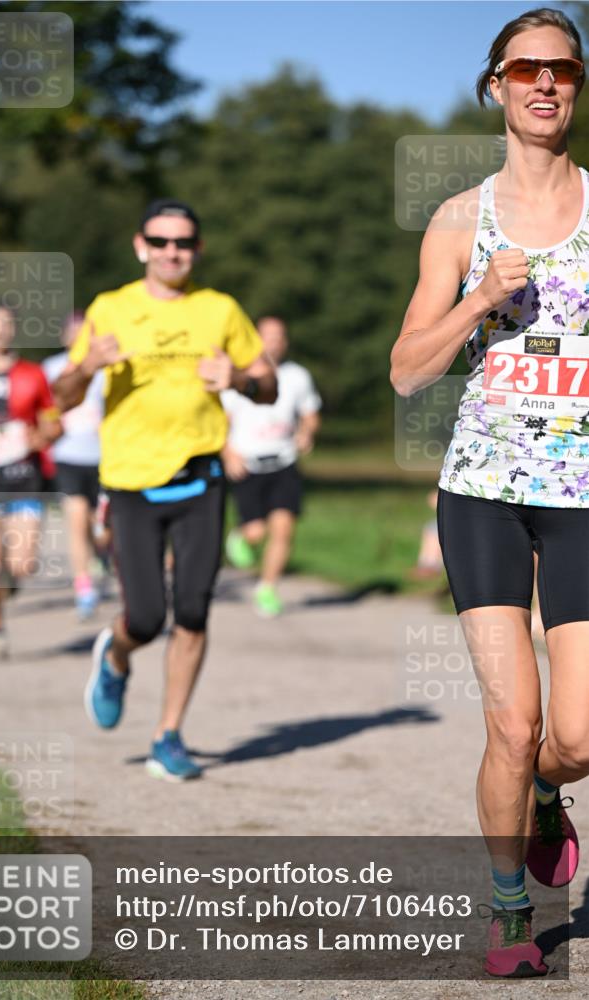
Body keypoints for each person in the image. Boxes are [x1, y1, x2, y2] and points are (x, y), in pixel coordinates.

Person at [391, 8, 588, 979]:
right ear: (496, 85)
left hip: (582, 495)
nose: (544, 82)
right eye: (524, 68)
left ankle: (547, 793)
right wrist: (477, 299)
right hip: (482, 492)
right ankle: (510, 909)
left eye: (563, 69)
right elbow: (405, 372)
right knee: (512, 725)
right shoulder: (458, 220)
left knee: (574, 736)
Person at [52, 198, 277, 781]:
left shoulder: (220, 308)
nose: (171, 252)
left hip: (200, 477)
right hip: (130, 482)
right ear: (141, 246)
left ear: (197, 249)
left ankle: (168, 735)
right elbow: (62, 398)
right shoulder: (111, 308)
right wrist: (87, 366)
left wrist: (240, 379)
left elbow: (269, 386)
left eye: (182, 242)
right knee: (146, 617)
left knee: (194, 611)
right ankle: (116, 654)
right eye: (160, 241)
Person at [0, 305, 62, 664]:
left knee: (22, 565)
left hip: (24, 477)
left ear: (14, 330)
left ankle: (7, 581)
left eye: (5, 324)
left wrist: (43, 436)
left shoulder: (33, 374)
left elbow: (53, 421)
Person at [221, 315, 321, 616]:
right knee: (256, 531)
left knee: (283, 529)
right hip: (248, 464)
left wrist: (307, 432)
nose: (274, 343)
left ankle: (267, 588)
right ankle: (242, 536)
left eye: (279, 337)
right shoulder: (239, 376)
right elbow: (220, 422)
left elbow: (310, 414)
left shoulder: (298, 376)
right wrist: (228, 454)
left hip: (283, 461)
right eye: (268, 337)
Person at [43, 312, 106, 620]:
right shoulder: (51, 368)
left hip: (104, 458)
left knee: (103, 531)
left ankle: (102, 554)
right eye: (74, 332)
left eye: (85, 333)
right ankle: (84, 589)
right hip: (67, 456)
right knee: (77, 521)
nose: (79, 338)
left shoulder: (106, 368)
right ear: (64, 336)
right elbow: (43, 410)